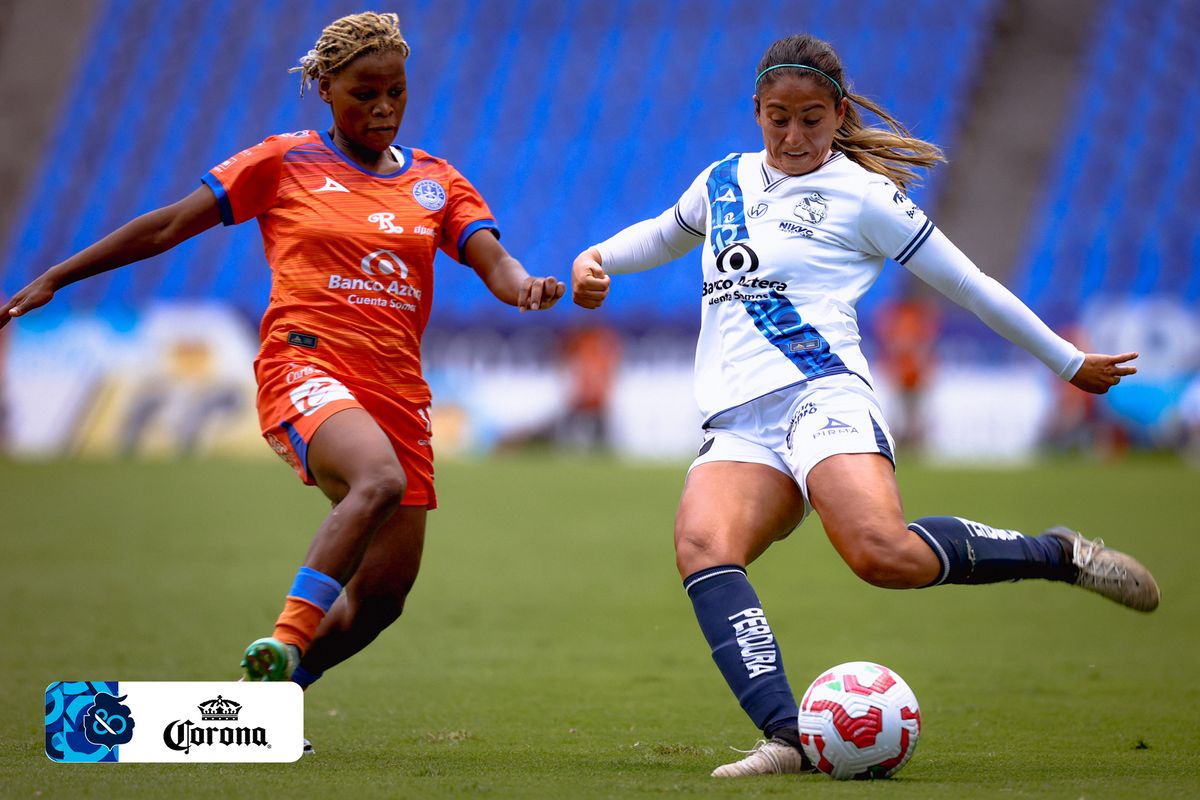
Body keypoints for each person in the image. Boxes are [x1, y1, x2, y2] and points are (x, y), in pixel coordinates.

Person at [571, 33, 1158, 778]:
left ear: (839, 113)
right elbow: (661, 235)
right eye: (778, 118)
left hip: (822, 396)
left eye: (811, 119)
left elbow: (970, 283)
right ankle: (788, 735)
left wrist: (1066, 360)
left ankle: (1057, 553)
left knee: (883, 556)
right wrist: (596, 259)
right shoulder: (721, 180)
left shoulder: (865, 196)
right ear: (755, 111)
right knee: (702, 547)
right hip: (737, 422)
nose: (792, 136)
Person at [1, 9, 563, 735]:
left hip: (397, 392)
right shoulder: (284, 161)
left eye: (396, 91)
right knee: (377, 481)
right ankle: (285, 639)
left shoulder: (436, 183)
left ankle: (250, 706)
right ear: (324, 88)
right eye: (365, 92)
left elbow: (494, 259)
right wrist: (57, 276)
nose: (384, 107)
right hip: (305, 362)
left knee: (382, 603)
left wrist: (525, 287)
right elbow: (169, 224)